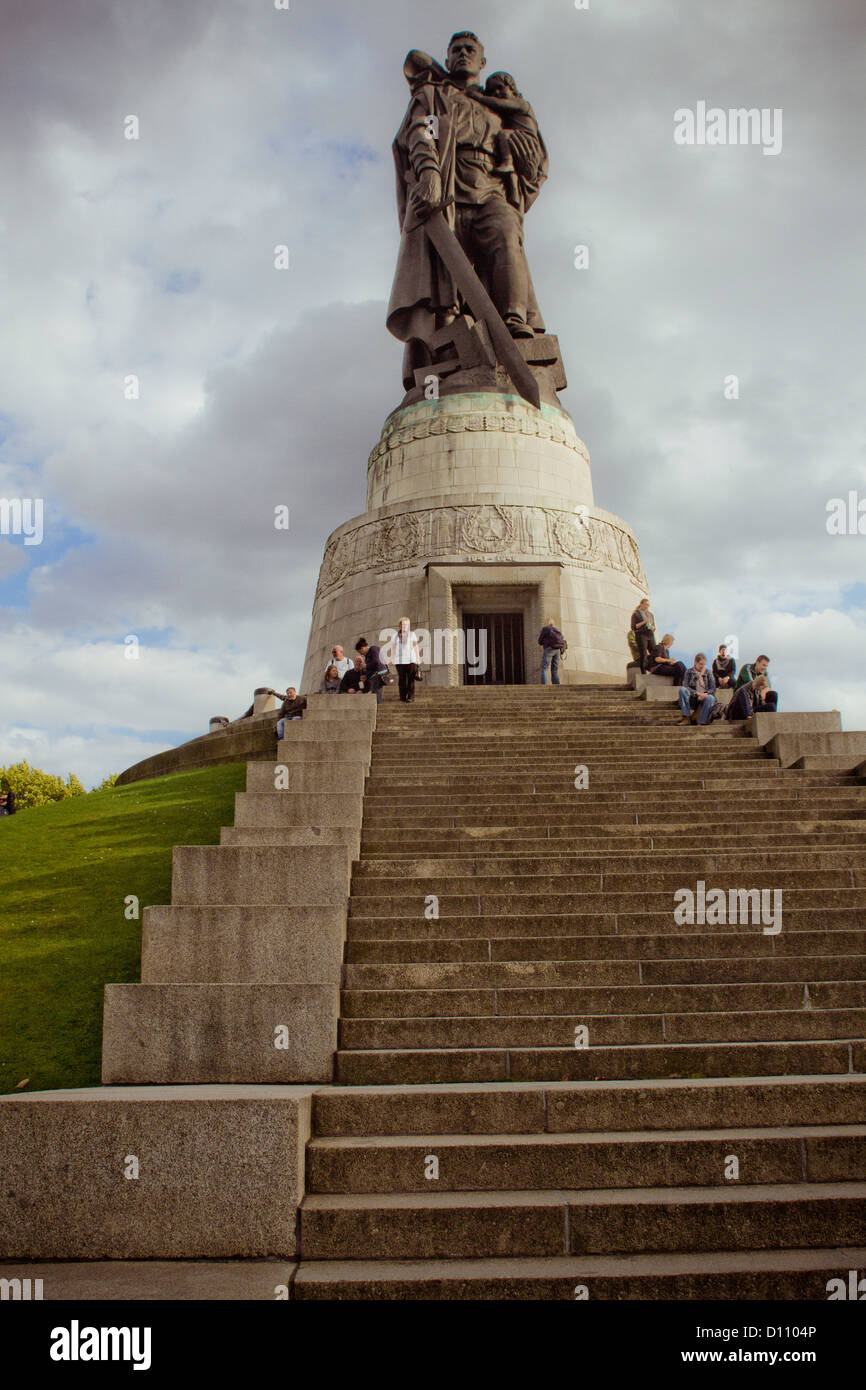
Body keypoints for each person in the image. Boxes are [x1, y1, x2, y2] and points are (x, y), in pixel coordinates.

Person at [678, 653, 717, 726]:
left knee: (711, 698)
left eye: (704, 664)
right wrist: (697, 693)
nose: (702, 666)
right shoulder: (689, 672)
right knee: (682, 690)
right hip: (693, 697)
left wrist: (705, 694)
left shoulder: (708, 672)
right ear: (695, 662)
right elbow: (686, 686)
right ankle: (686, 718)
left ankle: (702, 721)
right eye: (701, 664)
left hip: (705, 697)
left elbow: (713, 688)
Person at [393, 616, 421, 703]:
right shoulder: (395, 635)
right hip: (399, 661)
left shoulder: (412, 634)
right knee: (402, 680)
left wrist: (418, 658)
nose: (405, 626)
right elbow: (393, 647)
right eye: (403, 624)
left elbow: (416, 646)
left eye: (407, 624)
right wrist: (391, 658)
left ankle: (410, 697)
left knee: (410, 679)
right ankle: (402, 697)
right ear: (400, 625)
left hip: (411, 660)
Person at [355, 637, 389, 704]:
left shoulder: (373, 649)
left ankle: (379, 708)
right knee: (375, 695)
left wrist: (366, 666)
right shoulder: (367, 655)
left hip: (379, 675)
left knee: (377, 695)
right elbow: (372, 666)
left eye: (360, 652)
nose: (361, 654)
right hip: (374, 677)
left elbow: (376, 662)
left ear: (363, 648)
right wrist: (366, 675)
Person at [630, 598, 655, 674]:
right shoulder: (636, 614)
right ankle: (643, 672)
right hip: (641, 634)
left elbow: (654, 626)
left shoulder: (650, 615)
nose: (647, 606)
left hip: (650, 634)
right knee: (643, 654)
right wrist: (644, 622)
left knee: (654, 652)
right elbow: (633, 626)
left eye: (648, 605)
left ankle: (653, 670)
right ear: (641, 604)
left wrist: (652, 627)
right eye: (646, 604)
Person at [538, 617, 565, 685]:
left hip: (549, 649)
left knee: (545, 668)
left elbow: (539, 641)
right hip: (558, 650)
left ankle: (544, 684)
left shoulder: (545, 629)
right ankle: (556, 684)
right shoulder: (556, 630)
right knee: (554, 669)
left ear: (546, 622)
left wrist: (544, 642)